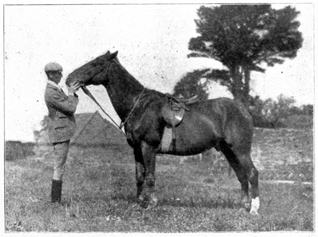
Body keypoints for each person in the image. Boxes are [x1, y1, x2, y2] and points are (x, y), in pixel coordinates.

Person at [44, 62, 80, 203]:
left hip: (61, 132)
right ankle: (55, 202)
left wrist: (72, 93)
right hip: (60, 133)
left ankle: (56, 201)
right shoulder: (51, 92)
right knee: (59, 167)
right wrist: (71, 93)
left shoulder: (55, 89)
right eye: (59, 73)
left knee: (60, 166)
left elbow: (69, 104)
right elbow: (70, 108)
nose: (61, 75)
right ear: (51, 75)